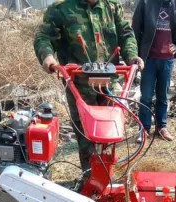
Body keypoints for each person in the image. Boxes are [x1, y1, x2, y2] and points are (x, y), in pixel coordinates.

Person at [34, 0, 144, 171]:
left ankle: (107, 174)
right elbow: (44, 37)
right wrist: (47, 56)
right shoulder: (61, 9)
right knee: (86, 137)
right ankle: (89, 178)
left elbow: (125, 33)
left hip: (109, 82)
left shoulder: (111, 6)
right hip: (79, 85)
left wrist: (132, 56)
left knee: (110, 131)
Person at [132, 0, 176, 141]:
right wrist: (136, 54)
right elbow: (135, 28)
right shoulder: (145, 3)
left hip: (167, 60)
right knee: (146, 96)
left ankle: (162, 127)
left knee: (163, 96)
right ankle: (144, 129)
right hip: (148, 59)